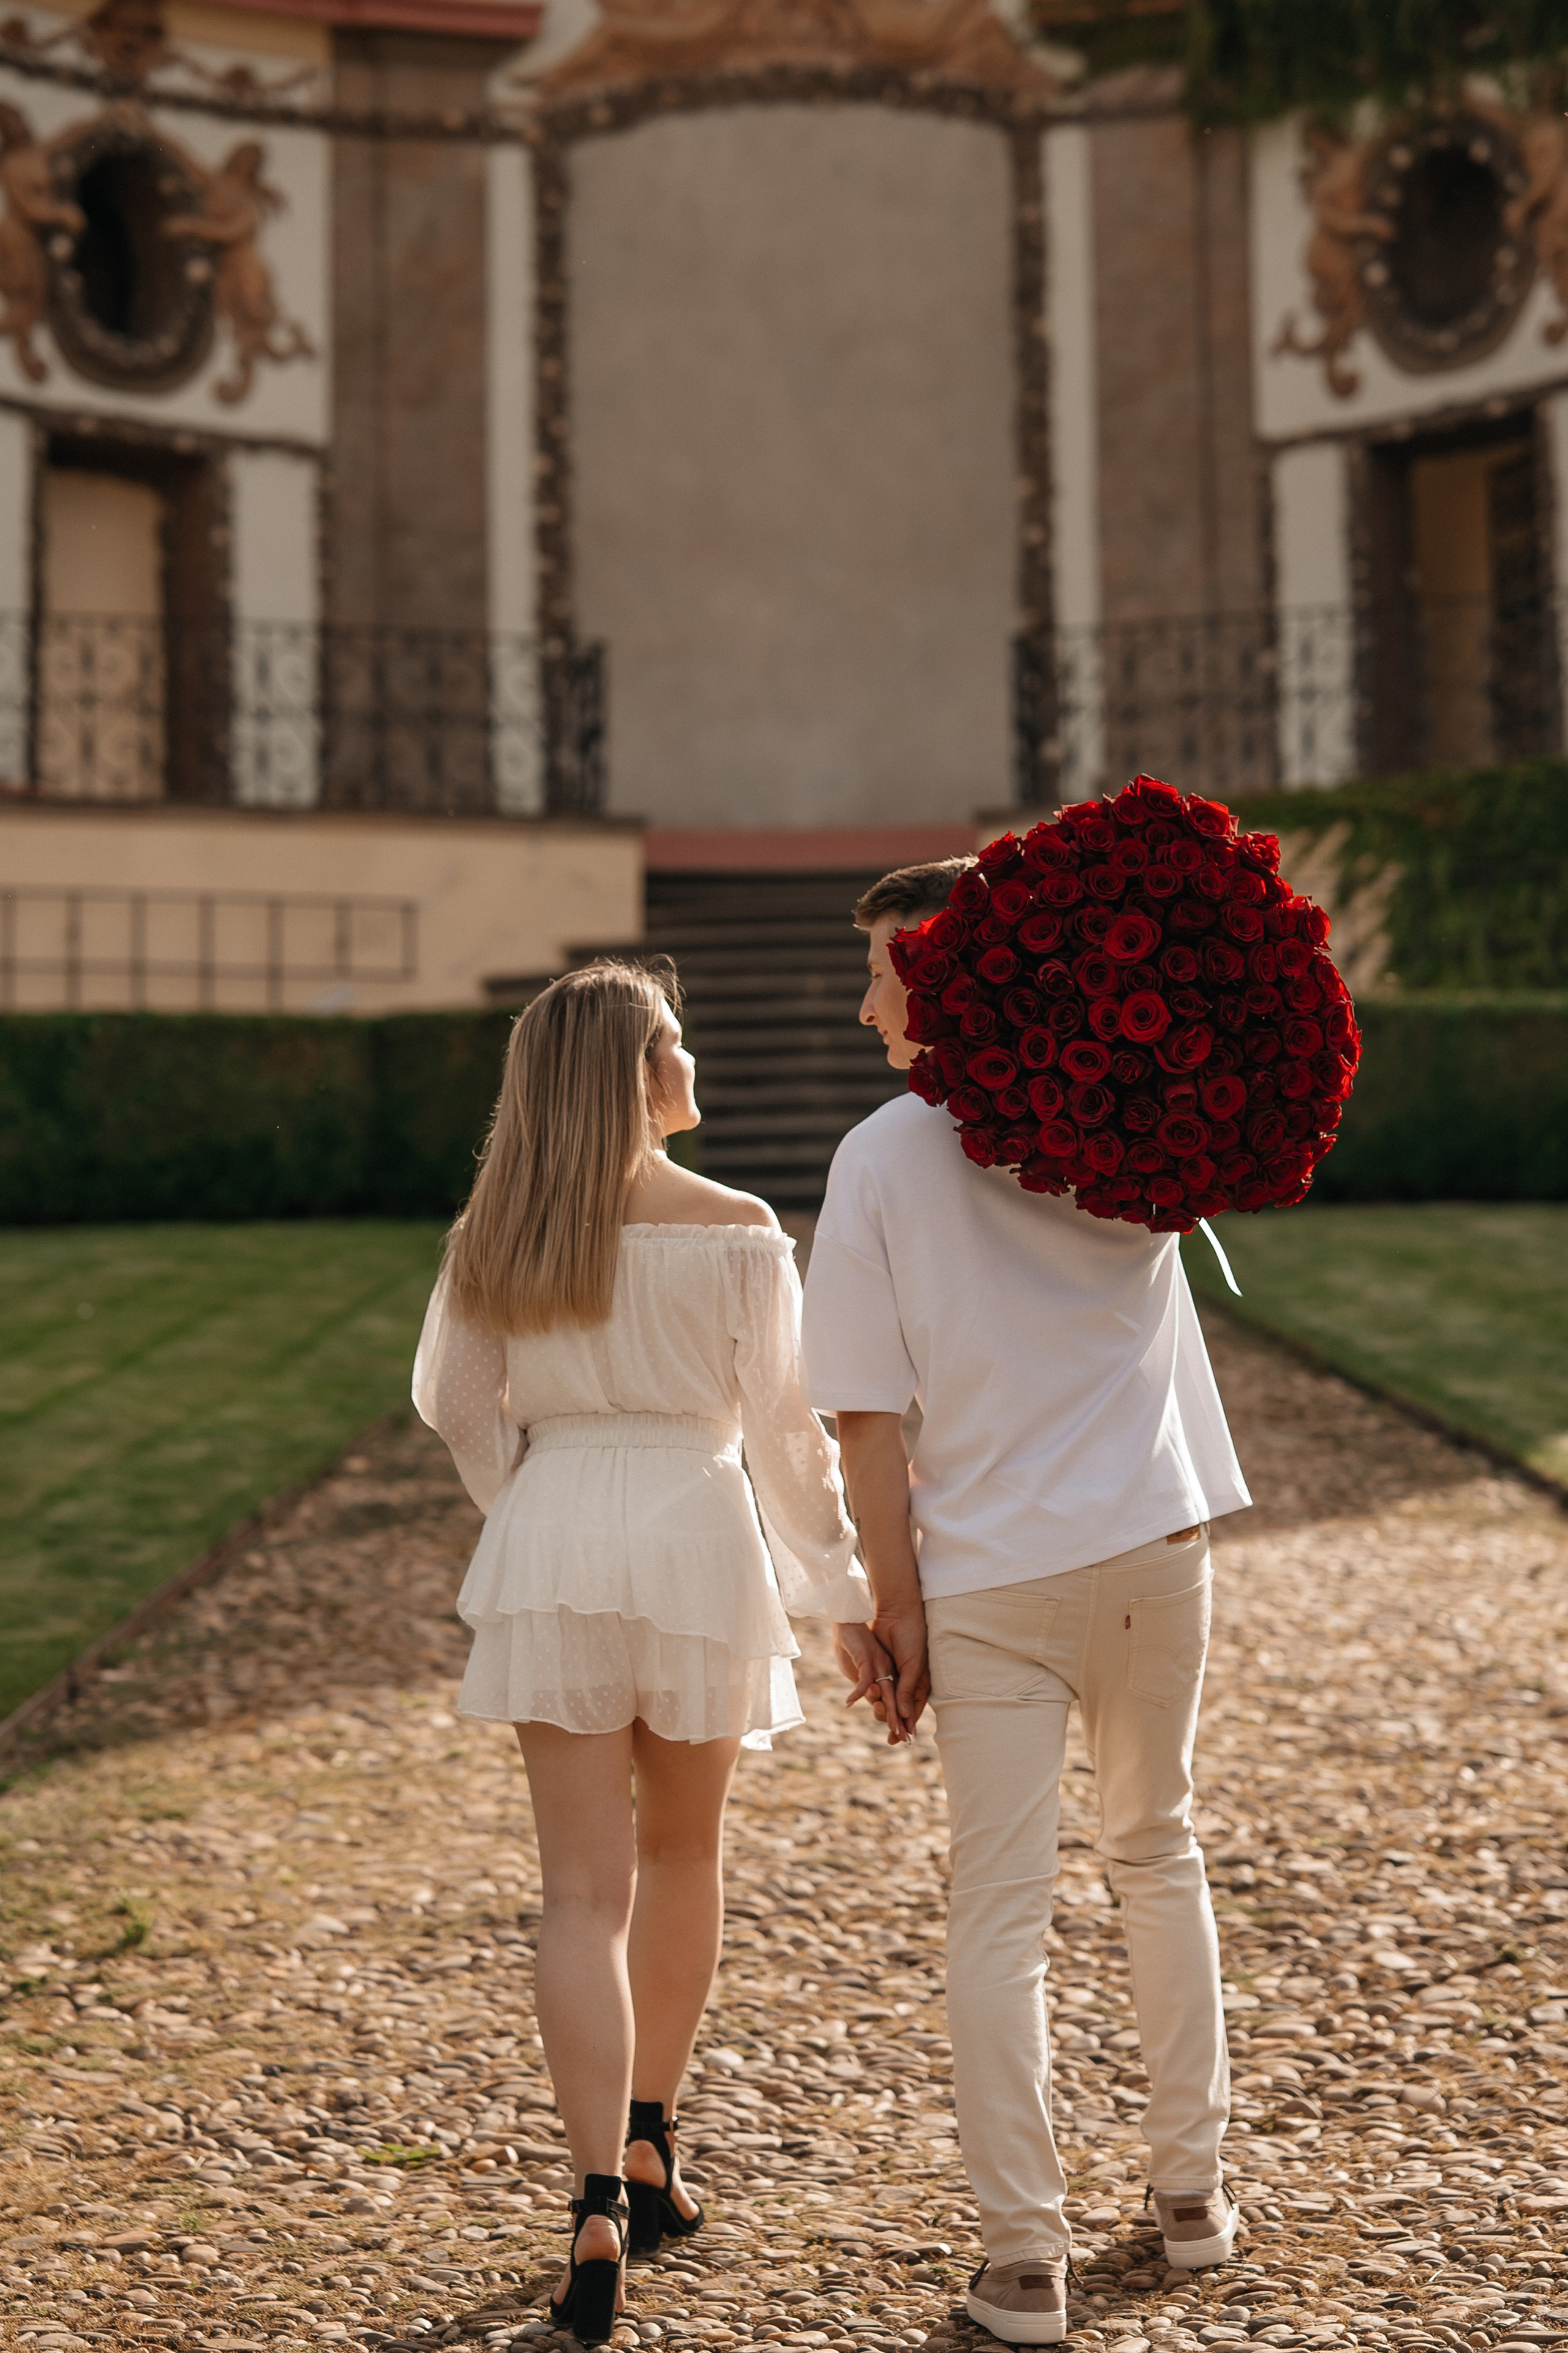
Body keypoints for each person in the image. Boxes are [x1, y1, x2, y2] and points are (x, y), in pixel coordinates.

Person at [801, 860, 1253, 2346]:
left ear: (938, 977)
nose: (862, 998)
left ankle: (1023, 2262)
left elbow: (865, 1418)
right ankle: (1190, 2197)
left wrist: (892, 1604)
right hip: (1153, 1541)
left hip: (994, 1571)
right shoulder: (1128, 1120)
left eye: (878, 967)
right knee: (1157, 1851)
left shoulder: (879, 1156)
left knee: (998, 1912)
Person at [413, 962, 878, 2346]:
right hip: (691, 1530)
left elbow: (453, 1402)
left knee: (576, 1889)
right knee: (680, 1855)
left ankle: (594, 2202)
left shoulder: (495, 1233)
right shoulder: (737, 1229)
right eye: (669, 1042)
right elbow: (789, 1441)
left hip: (557, 1526)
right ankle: (649, 2143)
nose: (688, 1059)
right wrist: (842, 1588)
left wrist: (535, 1505)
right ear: (630, 1072)